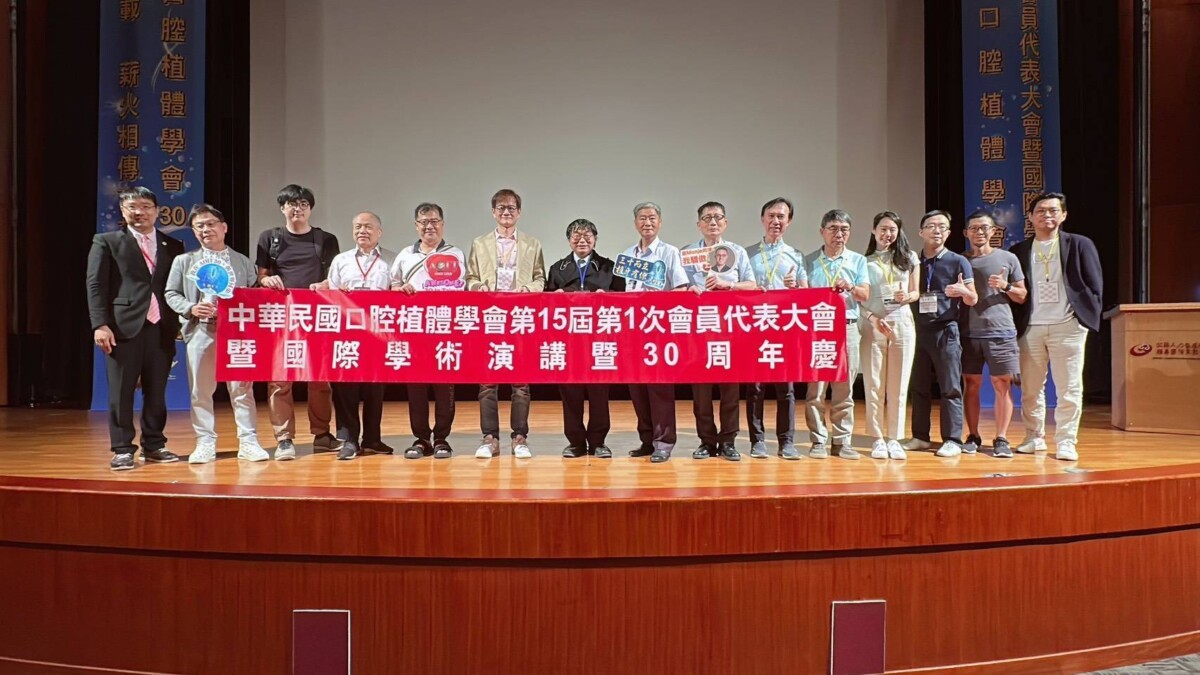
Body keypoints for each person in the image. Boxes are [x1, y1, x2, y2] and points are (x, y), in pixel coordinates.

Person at [87, 186, 185, 470]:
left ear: (156, 211)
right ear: (123, 211)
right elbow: (95, 285)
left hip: (162, 326)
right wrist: (100, 324)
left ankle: (154, 445)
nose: (139, 212)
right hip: (122, 327)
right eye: (132, 207)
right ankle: (122, 448)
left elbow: (177, 287)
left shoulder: (173, 246)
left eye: (145, 206)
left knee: (157, 390)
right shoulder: (107, 241)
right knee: (121, 391)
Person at [164, 204, 269, 464]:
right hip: (201, 330)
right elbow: (171, 293)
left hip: (236, 334)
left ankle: (248, 441)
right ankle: (205, 442)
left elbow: (252, 294)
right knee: (200, 390)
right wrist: (190, 307)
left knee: (242, 388)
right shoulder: (184, 261)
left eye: (210, 224)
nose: (205, 229)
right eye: (199, 226)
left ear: (224, 228)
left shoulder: (242, 261)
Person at [1010, 192, 1102, 462]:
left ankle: (1066, 441)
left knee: (1069, 388)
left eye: (1053, 210)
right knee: (1030, 388)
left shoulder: (1080, 244)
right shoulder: (1019, 250)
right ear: (1030, 217)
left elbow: (1094, 284)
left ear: (1063, 215)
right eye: (1040, 211)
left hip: (1068, 326)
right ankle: (1033, 437)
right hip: (1031, 327)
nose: (1046, 215)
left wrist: (1083, 318)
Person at [255, 184, 341, 460]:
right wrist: (266, 279)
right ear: (282, 208)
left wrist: (325, 284)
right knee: (280, 380)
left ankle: (322, 435)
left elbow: (334, 277)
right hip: (281, 318)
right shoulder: (269, 238)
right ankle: (284, 439)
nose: (298, 209)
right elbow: (261, 275)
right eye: (292, 204)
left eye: (304, 204)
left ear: (311, 209)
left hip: (317, 318)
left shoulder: (326, 239)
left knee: (320, 379)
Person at [465, 188, 546, 458]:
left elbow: (540, 278)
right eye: (501, 207)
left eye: (511, 207)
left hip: (520, 319)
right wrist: (480, 288)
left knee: (521, 383)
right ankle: (489, 438)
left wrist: (528, 289)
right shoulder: (479, 243)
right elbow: (470, 278)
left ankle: (519, 437)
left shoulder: (532, 244)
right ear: (493, 212)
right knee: (487, 383)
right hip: (491, 318)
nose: (506, 212)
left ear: (519, 212)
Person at [682, 202, 757, 462]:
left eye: (717, 217)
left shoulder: (737, 252)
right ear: (698, 224)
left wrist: (729, 285)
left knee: (730, 389)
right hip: (699, 330)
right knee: (701, 391)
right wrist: (689, 289)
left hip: (729, 329)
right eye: (707, 218)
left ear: (725, 223)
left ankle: (728, 441)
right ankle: (706, 440)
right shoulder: (687, 253)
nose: (712, 222)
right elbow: (678, 286)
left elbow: (752, 284)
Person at [392, 203, 467, 459]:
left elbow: (464, 289)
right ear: (416, 226)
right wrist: (400, 290)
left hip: (445, 330)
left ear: (442, 224)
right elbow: (392, 287)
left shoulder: (455, 253)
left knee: (445, 387)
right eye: (424, 222)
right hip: (414, 331)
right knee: (416, 387)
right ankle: (421, 438)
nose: (429, 226)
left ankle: (442, 438)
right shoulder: (405, 255)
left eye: (434, 221)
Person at [546, 218, 625, 458]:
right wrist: (556, 296)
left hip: (599, 340)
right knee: (570, 393)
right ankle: (576, 442)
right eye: (576, 236)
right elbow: (546, 302)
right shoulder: (557, 268)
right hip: (568, 341)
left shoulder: (609, 267)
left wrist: (607, 296)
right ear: (569, 240)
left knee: (599, 392)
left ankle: (599, 441)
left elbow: (622, 298)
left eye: (587, 236)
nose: (582, 240)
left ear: (595, 239)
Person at [904, 210, 978, 457]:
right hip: (917, 330)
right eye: (931, 226)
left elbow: (973, 298)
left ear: (948, 233)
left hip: (946, 330)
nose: (937, 230)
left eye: (942, 227)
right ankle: (920, 437)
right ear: (920, 232)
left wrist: (963, 292)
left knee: (950, 386)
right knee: (919, 387)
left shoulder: (958, 261)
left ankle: (953, 439)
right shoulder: (913, 262)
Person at [622, 202, 689, 462]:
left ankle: (664, 443)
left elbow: (681, 289)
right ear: (635, 223)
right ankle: (647, 440)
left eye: (652, 218)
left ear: (660, 222)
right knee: (637, 389)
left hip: (659, 330)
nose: (647, 222)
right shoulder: (627, 255)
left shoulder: (670, 252)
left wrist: (656, 299)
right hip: (633, 332)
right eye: (642, 218)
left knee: (660, 389)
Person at [326, 212, 396, 460]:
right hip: (347, 333)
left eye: (368, 227)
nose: (362, 231)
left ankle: (372, 439)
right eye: (357, 227)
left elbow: (397, 291)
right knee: (345, 386)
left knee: (375, 387)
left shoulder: (392, 259)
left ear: (380, 232)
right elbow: (329, 295)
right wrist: (338, 292)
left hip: (378, 333)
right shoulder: (341, 260)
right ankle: (349, 440)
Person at [802, 210, 870, 460]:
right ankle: (818, 440)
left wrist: (850, 286)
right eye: (833, 228)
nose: (838, 234)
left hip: (847, 327)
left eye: (844, 229)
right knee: (816, 389)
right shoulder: (808, 261)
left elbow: (865, 295)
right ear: (822, 231)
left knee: (844, 388)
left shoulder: (858, 260)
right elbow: (803, 296)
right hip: (818, 329)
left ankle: (842, 441)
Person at [961, 210, 1027, 458]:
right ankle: (973, 436)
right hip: (968, 332)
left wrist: (1005, 286)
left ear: (993, 231)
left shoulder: (1008, 258)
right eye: (974, 228)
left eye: (984, 228)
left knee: (1002, 384)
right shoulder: (960, 260)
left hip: (1001, 331)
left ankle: (1001, 438)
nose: (979, 232)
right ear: (966, 233)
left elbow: (1022, 296)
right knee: (971, 385)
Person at [745, 197, 806, 459]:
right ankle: (757, 441)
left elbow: (806, 293)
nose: (776, 221)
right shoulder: (747, 254)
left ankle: (786, 442)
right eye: (771, 216)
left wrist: (796, 287)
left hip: (785, 328)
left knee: (786, 389)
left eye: (781, 216)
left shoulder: (796, 256)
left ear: (789, 221)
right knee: (755, 388)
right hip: (756, 327)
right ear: (762, 219)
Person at [859, 211, 919, 460]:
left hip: (902, 323)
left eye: (892, 229)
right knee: (874, 384)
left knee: (899, 384)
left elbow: (916, 292)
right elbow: (859, 300)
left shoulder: (909, 257)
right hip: (873, 324)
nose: (888, 234)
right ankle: (877, 439)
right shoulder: (863, 261)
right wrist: (873, 318)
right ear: (874, 231)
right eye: (883, 229)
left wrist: (908, 296)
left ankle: (894, 438)